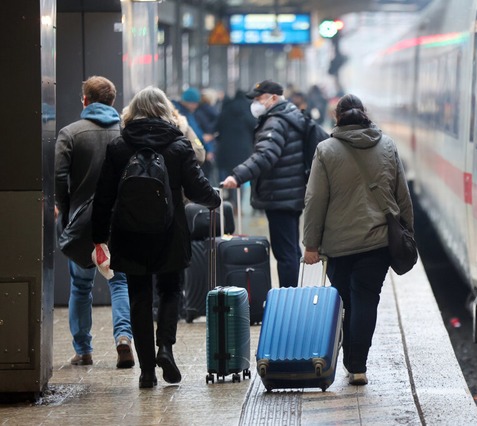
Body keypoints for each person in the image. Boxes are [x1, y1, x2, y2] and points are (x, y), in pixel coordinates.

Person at [92, 86, 221, 388]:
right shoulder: (178, 145)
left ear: (132, 111)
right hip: (170, 231)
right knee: (170, 289)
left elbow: (104, 195)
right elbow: (197, 187)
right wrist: (215, 200)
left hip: (128, 231)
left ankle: (147, 371)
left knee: (139, 296)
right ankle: (165, 347)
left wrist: (99, 237)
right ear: (165, 110)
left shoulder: (119, 146)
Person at [302, 94, 414, 386]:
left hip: (338, 245)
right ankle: (358, 365)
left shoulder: (325, 150)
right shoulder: (387, 145)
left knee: (345, 302)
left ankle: (349, 358)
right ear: (364, 114)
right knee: (366, 300)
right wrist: (407, 233)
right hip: (377, 242)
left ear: (337, 118)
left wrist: (310, 244)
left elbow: (315, 200)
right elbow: (402, 194)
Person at [54, 76, 135, 369]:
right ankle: (124, 338)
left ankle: (83, 350)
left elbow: (60, 178)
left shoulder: (70, 134)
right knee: (120, 282)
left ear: (85, 100)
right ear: (112, 101)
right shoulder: (125, 134)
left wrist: (65, 210)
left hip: (82, 223)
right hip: (119, 221)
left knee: (80, 285)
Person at [221, 80, 307, 288]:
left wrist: (238, 176)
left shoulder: (276, 121)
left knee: (285, 253)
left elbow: (265, 155)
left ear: (274, 98)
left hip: (279, 195)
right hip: (289, 192)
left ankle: (288, 300)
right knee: (291, 250)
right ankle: (293, 294)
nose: (256, 104)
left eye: (259, 99)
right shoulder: (290, 115)